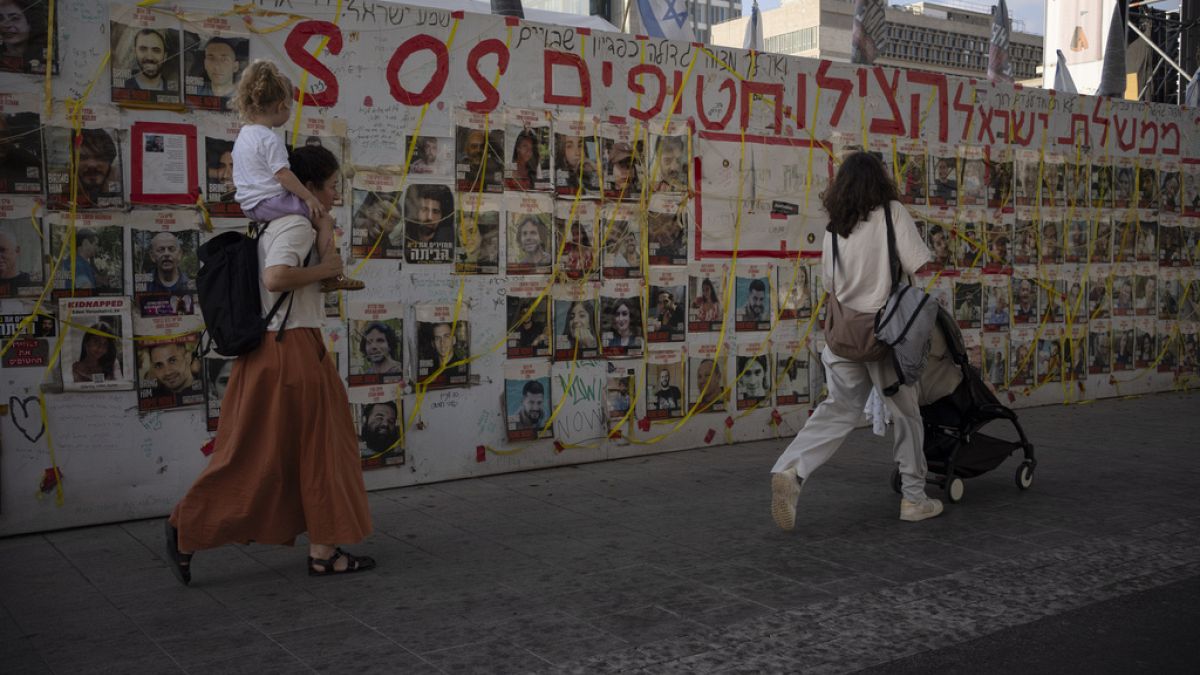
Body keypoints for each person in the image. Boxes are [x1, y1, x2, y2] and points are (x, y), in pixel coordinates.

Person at [167, 144, 374, 584]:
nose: (337, 194)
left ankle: (324, 550)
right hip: (292, 350)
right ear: (312, 187)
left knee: (278, 452)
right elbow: (276, 278)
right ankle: (187, 526)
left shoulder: (279, 224)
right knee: (292, 453)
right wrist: (324, 265)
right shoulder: (294, 225)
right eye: (333, 187)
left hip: (277, 350)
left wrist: (325, 234)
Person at [770, 151, 944, 531]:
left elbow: (831, 285)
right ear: (880, 181)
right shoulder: (893, 213)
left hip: (843, 336)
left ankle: (791, 470)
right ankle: (914, 499)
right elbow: (920, 265)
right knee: (907, 417)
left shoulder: (835, 227)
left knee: (839, 409)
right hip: (885, 338)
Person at [231, 60, 362, 292]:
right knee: (323, 219)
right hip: (268, 201)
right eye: (290, 107)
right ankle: (333, 274)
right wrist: (308, 198)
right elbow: (283, 175)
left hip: (250, 205)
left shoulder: (244, 136)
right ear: (281, 106)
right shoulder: (270, 139)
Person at [0, 0, 48, 72]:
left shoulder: (44, 57)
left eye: (14, 18)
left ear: (31, 22)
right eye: (0, 19)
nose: (5, 25)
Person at [404, 185, 454, 250]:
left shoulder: (447, 239)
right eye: (424, 209)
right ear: (417, 211)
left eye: (435, 212)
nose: (430, 217)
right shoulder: (405, 234)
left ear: (442, 216)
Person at [195, 37, 242, 102]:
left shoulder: (243, 96)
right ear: (205, 64)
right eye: (211, 59)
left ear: (235, 67)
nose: (217, 66)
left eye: (224, 60)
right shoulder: (195, 91)